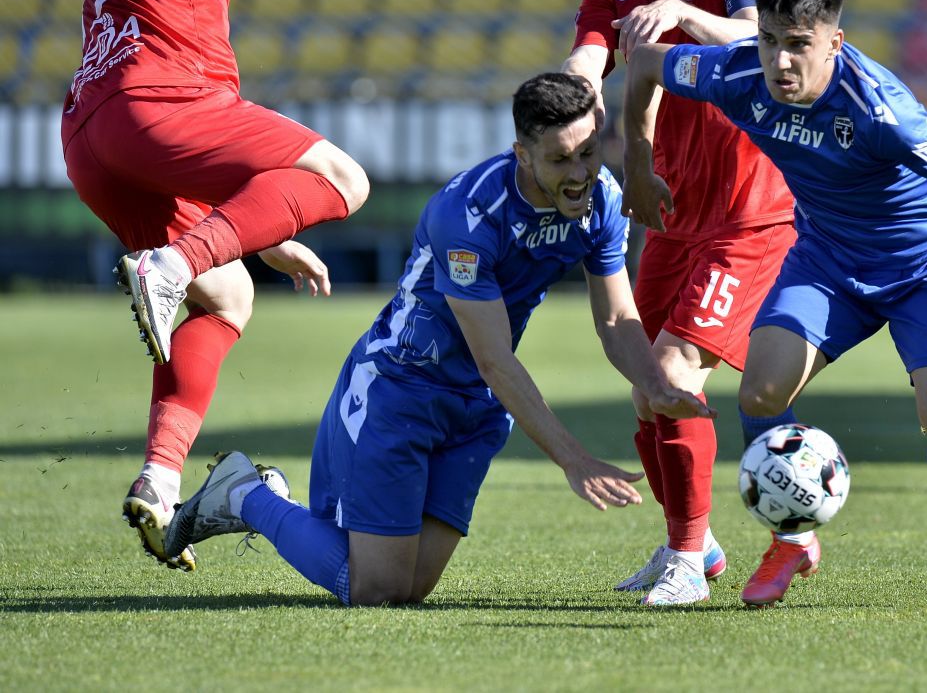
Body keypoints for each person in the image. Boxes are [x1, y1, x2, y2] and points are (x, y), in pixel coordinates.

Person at [163, 73, 712, 606]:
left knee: (412, 587)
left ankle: (266, 500)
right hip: (401, 388)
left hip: (476, 405)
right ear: (522, 154)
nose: (580, 174)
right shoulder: (470, 215)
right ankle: (244, 494)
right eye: (560, 159)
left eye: (588, 154)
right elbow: (495, 359)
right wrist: (573, 459)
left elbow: (616, 320)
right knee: (376, 589)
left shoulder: (603, 201)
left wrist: (655, 386)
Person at [623, 0, 927, 609]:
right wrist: (638, 161)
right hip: (830, 259)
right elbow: (644, 64)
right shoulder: (735, 74)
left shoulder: (881, 110)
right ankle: (791, 534)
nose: (781, 60)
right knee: (760, 389)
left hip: (925, 263)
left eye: (800, 44)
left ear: (834, 44)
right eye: (770, 39)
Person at [51, 0, 370, 571]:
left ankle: (160, 482)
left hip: (93, 138)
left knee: (227, 295)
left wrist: (262, 233)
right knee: (346, 179)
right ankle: (169, 265)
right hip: (161, 103)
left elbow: (199, 166)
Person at [561, 0, 798, 607]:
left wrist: (683, 17)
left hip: (746, 210)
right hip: (667, 209)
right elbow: (587, 61)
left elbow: (764, 38)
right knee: (641, 383)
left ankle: (688, 563)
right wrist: (564, 104)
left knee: (670, 372)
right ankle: (692, 545)